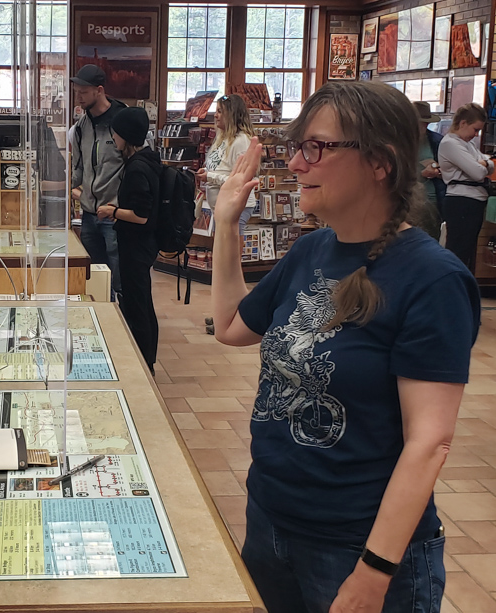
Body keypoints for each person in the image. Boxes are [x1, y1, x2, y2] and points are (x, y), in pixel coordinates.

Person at [210, 81, 480, 613]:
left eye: (315, 147)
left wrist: (375, 573)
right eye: (295, 148)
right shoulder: (313, 248)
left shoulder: (432, 278)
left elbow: (429, 442)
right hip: (271, 520)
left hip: (355, 547)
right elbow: (229, 326)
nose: (296, 165)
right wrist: (225, 224)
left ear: (379, 162)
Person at [97, 107, 159, 373]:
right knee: (143, 300)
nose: (113, 138)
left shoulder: (136, 169)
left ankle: (144, 362)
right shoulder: (150, 160)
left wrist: (112, 211)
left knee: (136, 303)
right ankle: (148, 357)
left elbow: (140, 215)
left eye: (116, 133)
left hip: (136, 244)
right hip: (144, 245)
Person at [196, 93, 256, 334]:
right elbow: (219, 168)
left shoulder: (241, 141)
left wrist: (209, 177)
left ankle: (235, 315)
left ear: (231, 113)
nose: (215, 115)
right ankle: (224, 313)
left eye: (220, 111)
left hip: (236, 206)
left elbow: (239, 178)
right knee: (224, 263)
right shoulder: (221, 138)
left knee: (231, 264)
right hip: (220, 204)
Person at [70, 64, 127, 301]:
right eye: (77, 91)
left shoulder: (122, 121)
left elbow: (138, 167)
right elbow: (79, 168)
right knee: (95, 279)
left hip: (114, 217)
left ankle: (124, 325)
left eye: (83, 91)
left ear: (99, 90)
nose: (79, 96)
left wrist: (120, 208)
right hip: (89, 215)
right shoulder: (81, 127)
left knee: (118, 279)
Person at [438, 102, 492, 270]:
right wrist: (483, 163)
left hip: (473, 201)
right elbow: (478, 172)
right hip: (461, 201)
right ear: (463, 123)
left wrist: (484, 162)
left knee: (467, 251)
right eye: (475, 130)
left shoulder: (467, 145)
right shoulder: (450, 144)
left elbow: (489, 164)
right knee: (458, 251)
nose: (476, 135)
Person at [413, 101, 446, 231]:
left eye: (427, 123)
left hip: (432, 198)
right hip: (407, 198)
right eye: (422, 123)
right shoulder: (398, 141)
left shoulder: (436, 140)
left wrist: (437, 171)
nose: (425, 127)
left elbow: (448, 168)